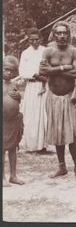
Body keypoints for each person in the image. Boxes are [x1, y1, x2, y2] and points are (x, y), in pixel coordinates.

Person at [39, 21, 76, 179]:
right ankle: (61, 167)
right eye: (59, 33)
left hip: (69, 96)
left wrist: (53, 71)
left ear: (69, 34)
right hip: (53, 96)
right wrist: (64, 68)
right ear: (54, 34)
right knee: (57, 132)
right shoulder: (48, 50)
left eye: (65, 33)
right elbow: (42, 71)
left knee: (72, 133)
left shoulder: (74, 51)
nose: (62, 36)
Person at [19, 28, 48, 153]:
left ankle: (43, 145)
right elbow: (22, 72)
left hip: (44, 86)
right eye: (32, 40)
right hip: (31, 86)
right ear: (28, 40)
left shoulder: (45, 51)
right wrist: (34, 75)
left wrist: (45, 77)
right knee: (31, 115)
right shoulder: (25, 53)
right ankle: (31, 145)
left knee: (43, 114)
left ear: (40, 39)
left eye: (37, 39)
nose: (35, 42)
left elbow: (50, 66)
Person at [3, 56, 25, 186]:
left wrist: (19, 97)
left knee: (12, 149)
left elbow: (17, 98)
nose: (9, 73)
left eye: (11, 71)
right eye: (6, 70)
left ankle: (13, 175)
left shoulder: (14, 84)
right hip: (3, 122)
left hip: (14, 121)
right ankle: (2, 178)